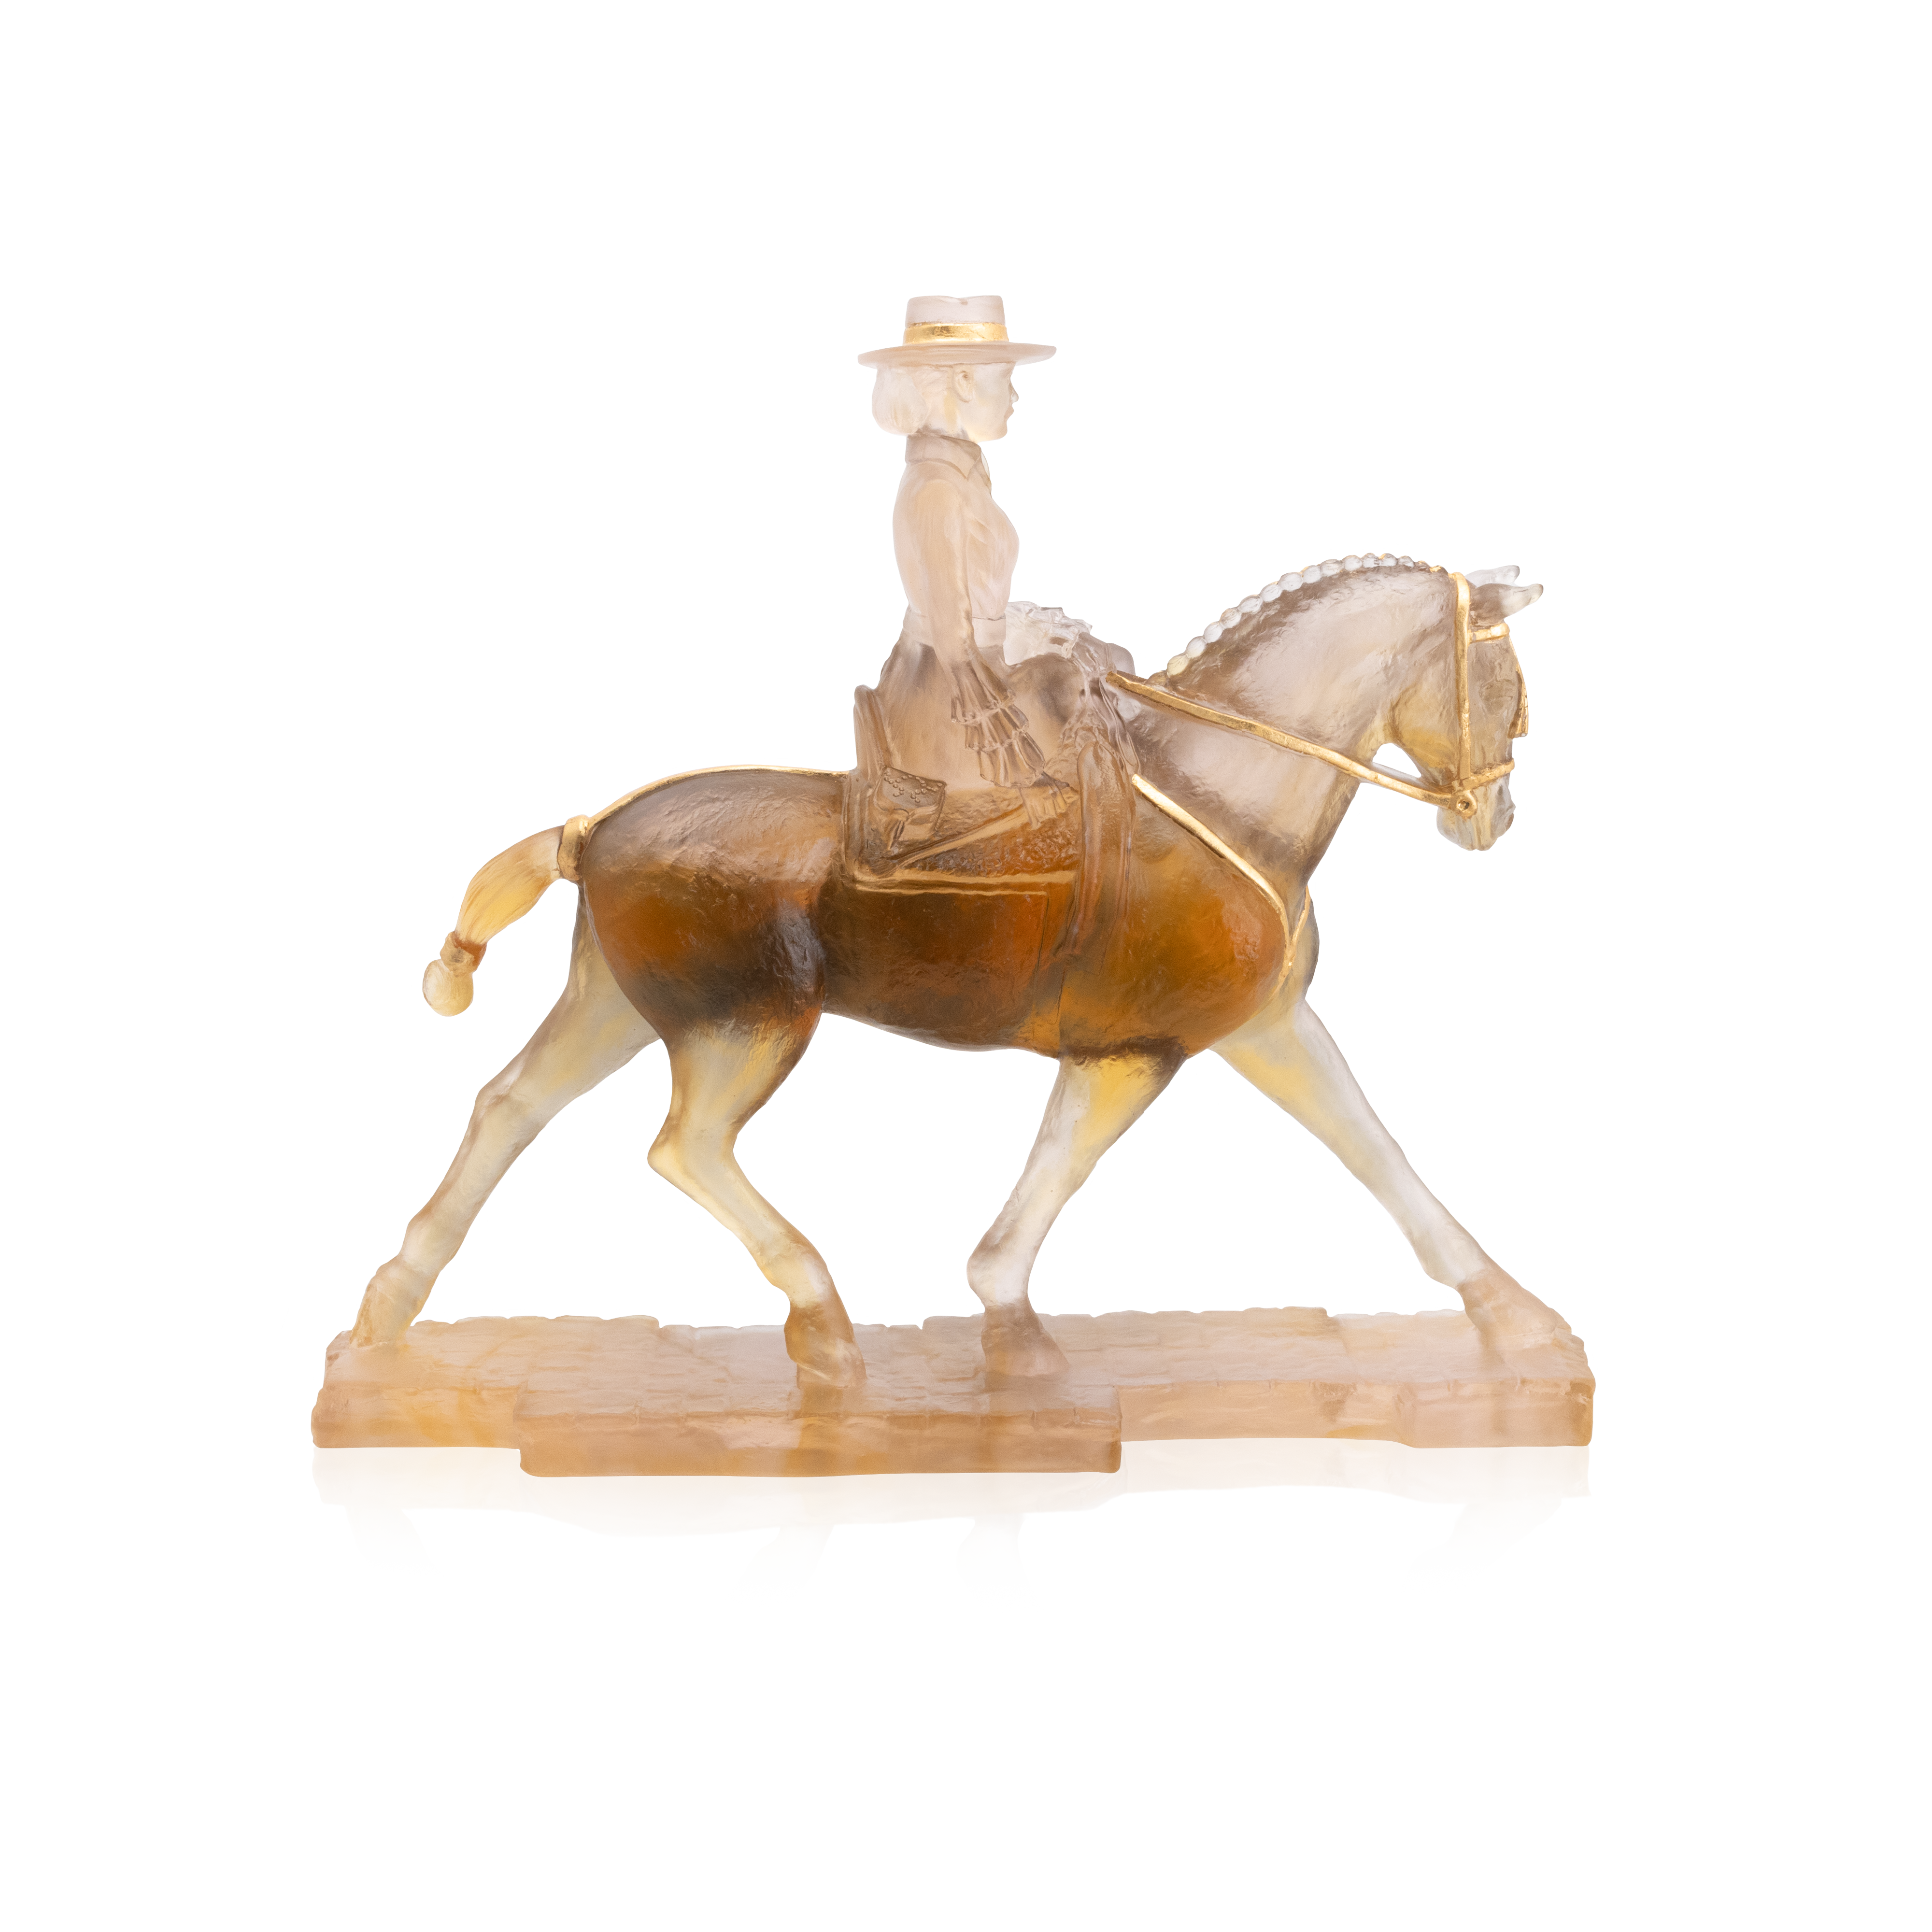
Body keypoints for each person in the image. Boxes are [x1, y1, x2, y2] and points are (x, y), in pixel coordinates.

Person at [855, 294, 1073, 824]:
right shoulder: (938, 491)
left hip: (970, 665)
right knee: (1088, 694)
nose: (1016, 395)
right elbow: (955, 647)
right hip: (948, 697)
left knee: (1103, 668)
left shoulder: (961, 473)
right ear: (965, 382)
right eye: (1007, 378)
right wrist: (1024, 770)